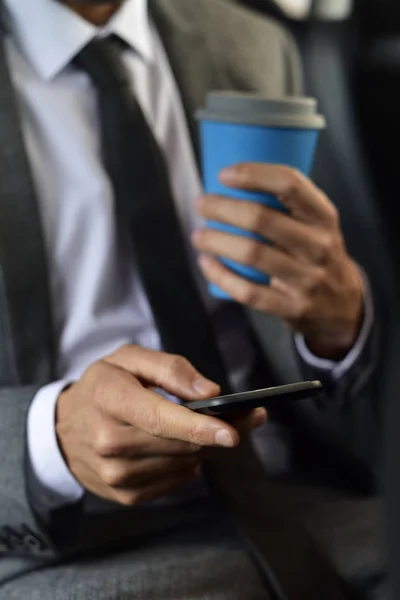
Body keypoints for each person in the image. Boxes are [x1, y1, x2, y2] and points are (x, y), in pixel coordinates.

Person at [0, 0, 381, 598]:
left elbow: (335, 341)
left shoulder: (254, 42)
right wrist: (52, 440)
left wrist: (340, 327)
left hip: (307, 500)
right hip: (64, 549)